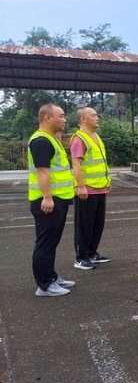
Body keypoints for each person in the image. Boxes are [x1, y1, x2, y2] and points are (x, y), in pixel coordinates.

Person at [28, 104, 76, 296]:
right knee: (45, 243)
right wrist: (47, 198)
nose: (65, 119)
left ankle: (51, 276)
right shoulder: (41, 141)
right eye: (61, 116)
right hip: (48, 201)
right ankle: (45, 285)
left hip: (58, 199)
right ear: (47, 117)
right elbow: (42, 171)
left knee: (51, 242)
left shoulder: (50, 139)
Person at [70, 107, 111, 270]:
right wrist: (81, 186)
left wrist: (107, 182)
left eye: (96, 115)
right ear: (83, 119)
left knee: (97, 223)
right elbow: (76, 164)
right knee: (84, 224)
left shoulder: (95, 136)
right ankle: (81, 258)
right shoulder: (79, 139)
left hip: (100, 187)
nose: (97, 118)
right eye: (93, 115)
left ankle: (92, 252)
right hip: (87, 189)